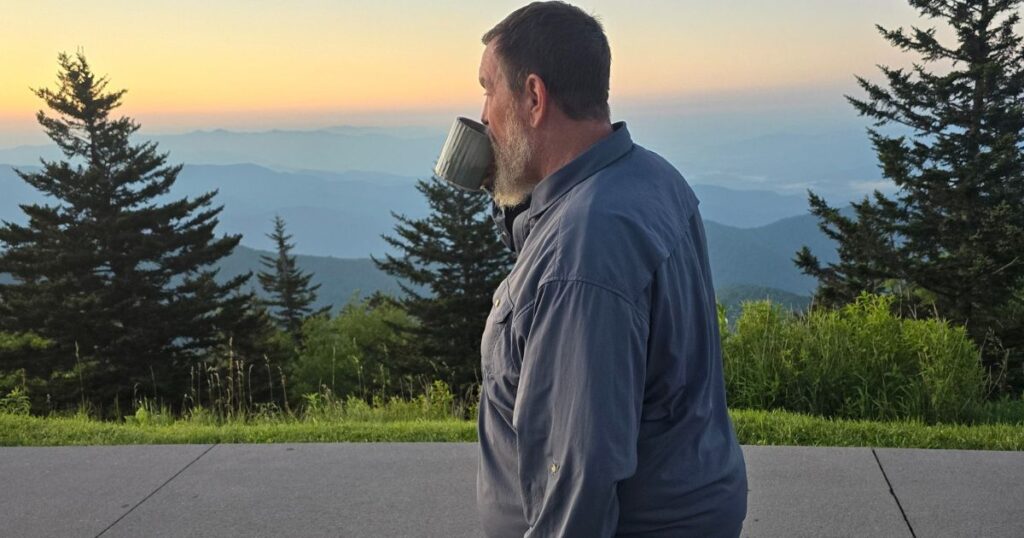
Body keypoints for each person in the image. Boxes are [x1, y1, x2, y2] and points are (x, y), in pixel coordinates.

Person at [474, 2, 749, 537]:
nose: (483, 114)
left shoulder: (582, 250)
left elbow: (578, 471)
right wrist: (510, 192)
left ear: (533, 96)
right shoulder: (647, 176)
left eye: (489, 90)